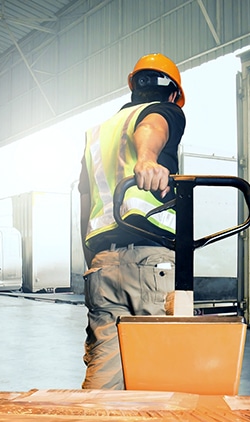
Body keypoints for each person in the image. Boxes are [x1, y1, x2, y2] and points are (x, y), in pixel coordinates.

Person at [78, 53, 186, 389]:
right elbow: (153, 127)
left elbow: (84, 200)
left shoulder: (99, 133)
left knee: (105, 372)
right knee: (162, 372)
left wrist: (92, 261)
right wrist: (147, 158)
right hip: (151, 261)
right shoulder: (166, 112)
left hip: (102, 264)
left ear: (133, 87)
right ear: (173, 94)